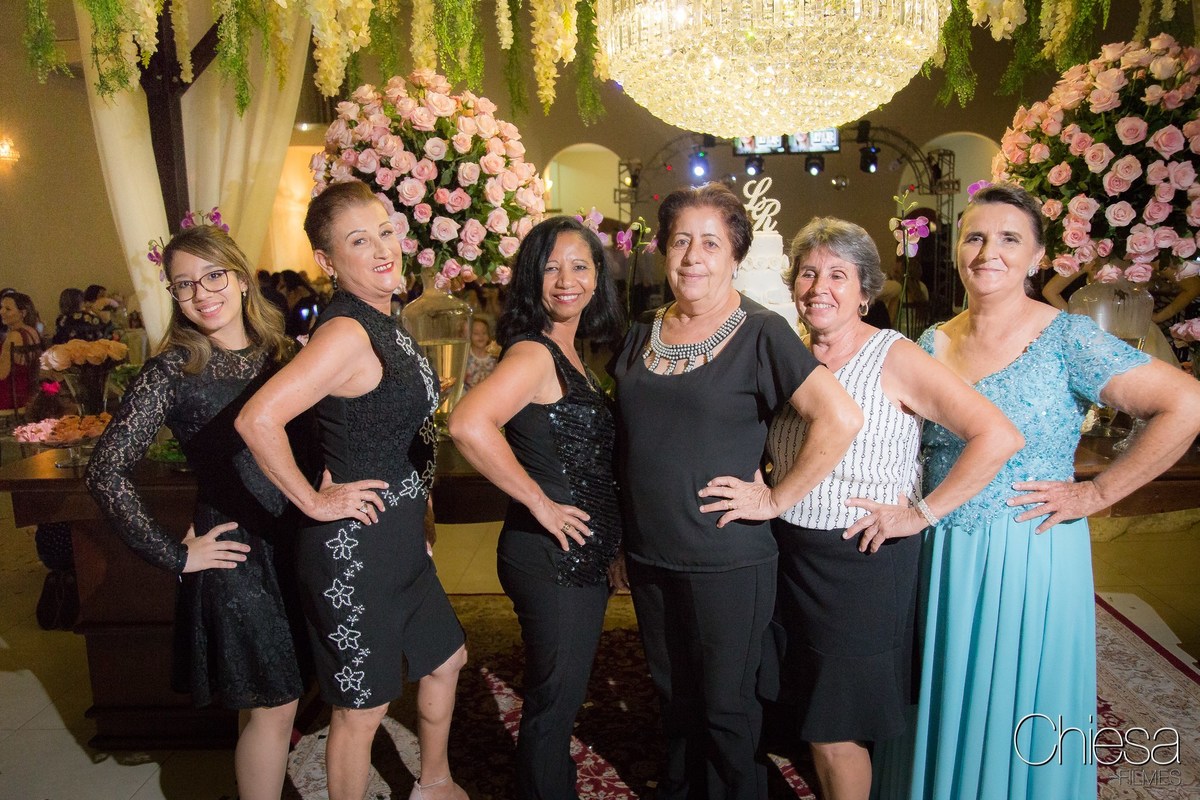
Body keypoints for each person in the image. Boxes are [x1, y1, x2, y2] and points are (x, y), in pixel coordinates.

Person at [872, 184, 1200, 800]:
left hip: (1028, 550)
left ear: (1037, 257)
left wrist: (1097, 494)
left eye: (1009, 238)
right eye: (975, 237)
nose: (988, 252)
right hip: (937, 551)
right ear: (957, 249)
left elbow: (1187, 403)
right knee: (938, 693)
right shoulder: (928, 343)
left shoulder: (1067, 338)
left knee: (1016, 700)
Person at [730, 218, 1019, 800]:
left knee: (836, 729)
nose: (820, 287)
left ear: (865, 290)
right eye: (808, 273)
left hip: (859, 563)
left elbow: (997, 435)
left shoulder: (894, 356)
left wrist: (920, 513)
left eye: (838, 275)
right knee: (805, 712)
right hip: (790, 554)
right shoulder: (791, 352)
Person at [607, 183, 863, 800]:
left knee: (726, 708)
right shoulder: (642, 333)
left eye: (710, 243)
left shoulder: (761, 332)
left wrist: (776, 498)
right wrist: (619, 539)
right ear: (663, 251)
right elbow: (628, 442)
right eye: (680, 242)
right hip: (649, 553)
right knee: (673, 697)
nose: (693, 256)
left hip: (726, 556)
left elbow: (840, 418)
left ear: (735, 256)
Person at [236, 180, 469, 800]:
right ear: (328, 261)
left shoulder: (383, 319)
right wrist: (313, 500)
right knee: (362, 709)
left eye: (386, 233)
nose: (383, 249)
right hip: (353, 551)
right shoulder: (345, 331)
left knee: (446, 659)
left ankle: (434, 781)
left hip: (398, 540)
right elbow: (257, 420)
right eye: (359, 241)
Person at [84, 224, 311, 800]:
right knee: (276, 704)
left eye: (213, 276)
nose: (201, 293)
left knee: (268, 697)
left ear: (241, 278)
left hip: (295, 543)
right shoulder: (173, 370)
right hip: (235, 555)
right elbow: (105, 470)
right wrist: (175, 556)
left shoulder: (284, 353)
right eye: (184, 284)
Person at [448, 217, 625, 800]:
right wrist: (541, 503)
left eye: (579, 266)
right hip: (551, 558)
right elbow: (468, 424)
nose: (566, 280)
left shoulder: (569, 351)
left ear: (597, 277)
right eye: (551, 267)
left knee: (559, 700)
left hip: (574, 556)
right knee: (552, 708)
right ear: (531, 278)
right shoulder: (533, 353)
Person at [1, 292, 43, 412]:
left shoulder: (13, 336)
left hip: (11, 397)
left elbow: (2, 374)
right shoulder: (33, 331)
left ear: (22, 313)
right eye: (2, 307)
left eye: (8, 309)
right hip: (29, 394)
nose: (1, 312)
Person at [462, 317, 499, 390]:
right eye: (476, 333)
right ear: (469, 335)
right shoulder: (464, 357)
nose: (481, 336)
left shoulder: (495, 357)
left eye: (484, 333)